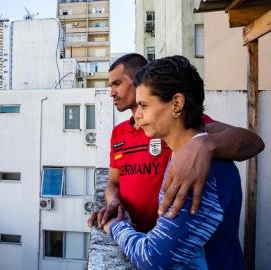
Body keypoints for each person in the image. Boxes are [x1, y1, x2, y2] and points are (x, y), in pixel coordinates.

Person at [88, 53, 264, 232]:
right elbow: (113, 182)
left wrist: (205, 144)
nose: (111, 92)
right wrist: (114, 203)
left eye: (117, 84)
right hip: (135, 238)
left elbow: (253, 142)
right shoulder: (119, 133)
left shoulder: (175, 123)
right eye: (110, 86)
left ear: (139, 78)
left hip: (171, 241)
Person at [104, 55, 247, 269]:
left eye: (143, 105)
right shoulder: (184, 153)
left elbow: (153, 259)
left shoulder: (196, 169)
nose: (138, 115)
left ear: (177, 104)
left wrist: (115, 225)